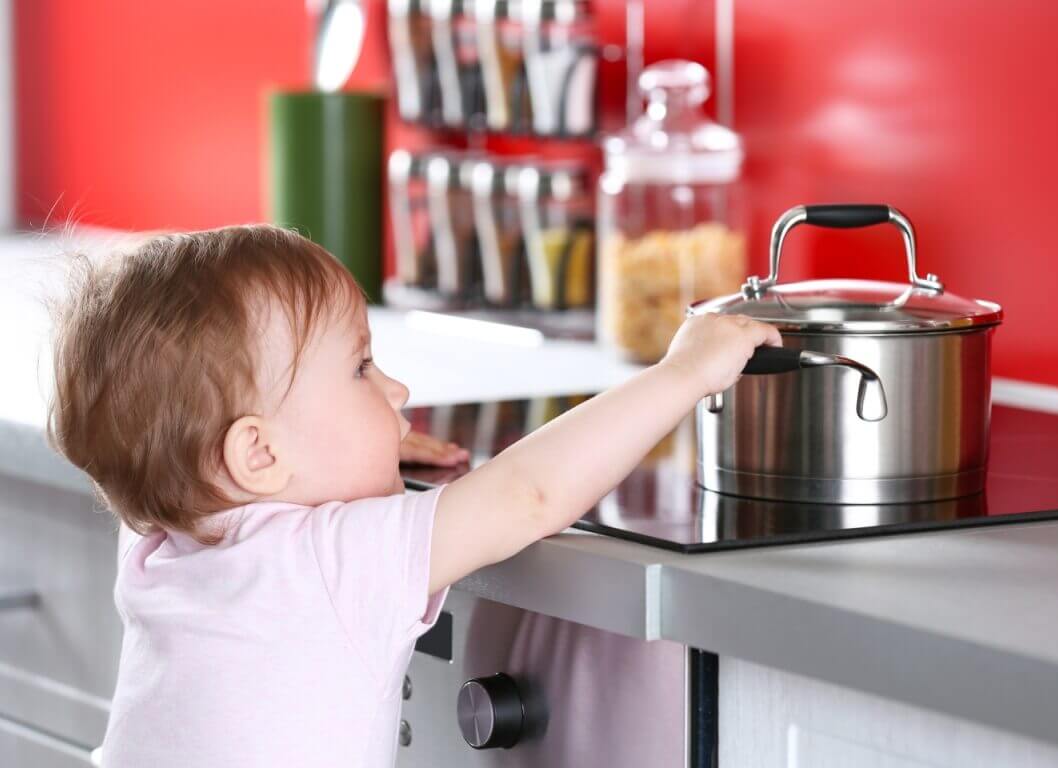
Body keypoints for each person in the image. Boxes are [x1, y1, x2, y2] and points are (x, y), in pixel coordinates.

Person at [47, 224, 779, 767]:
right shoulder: (330, 563)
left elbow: (170, 453)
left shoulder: (154, 546)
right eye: (362, 368)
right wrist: (680, 374)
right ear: (259, 452)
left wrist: (343, 444)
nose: (395, 389)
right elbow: (528, 494)